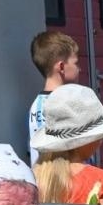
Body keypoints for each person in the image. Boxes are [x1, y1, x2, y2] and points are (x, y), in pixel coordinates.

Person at [32, 85, 103, 205]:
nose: (101, 139)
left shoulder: (34, 177)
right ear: (83, 142)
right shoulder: (97, 179)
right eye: (99, 135)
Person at [27, 30, 80, 165]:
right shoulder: (63, 104)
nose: (79, 69)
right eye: (75, 63)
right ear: (61, 67)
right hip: (65, 181)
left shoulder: (36, 105)